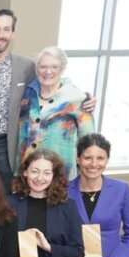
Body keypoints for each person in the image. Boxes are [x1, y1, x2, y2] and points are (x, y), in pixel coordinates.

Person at [0, 10, 96, 189]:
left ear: (13, 33)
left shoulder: (26, 67)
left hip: (8, 148)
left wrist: (85, 98)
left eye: (6, 29)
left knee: (8, 202)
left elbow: (51, 81)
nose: (0, 35)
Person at [16, 47, 95, 180]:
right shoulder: (25, 94)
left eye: (54, 67)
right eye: (43, 67)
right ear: (36, 69)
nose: (48, 72)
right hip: (27, 174)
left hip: (61, 175)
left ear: (63, 69)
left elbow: (89, 142)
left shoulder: (76, 98)